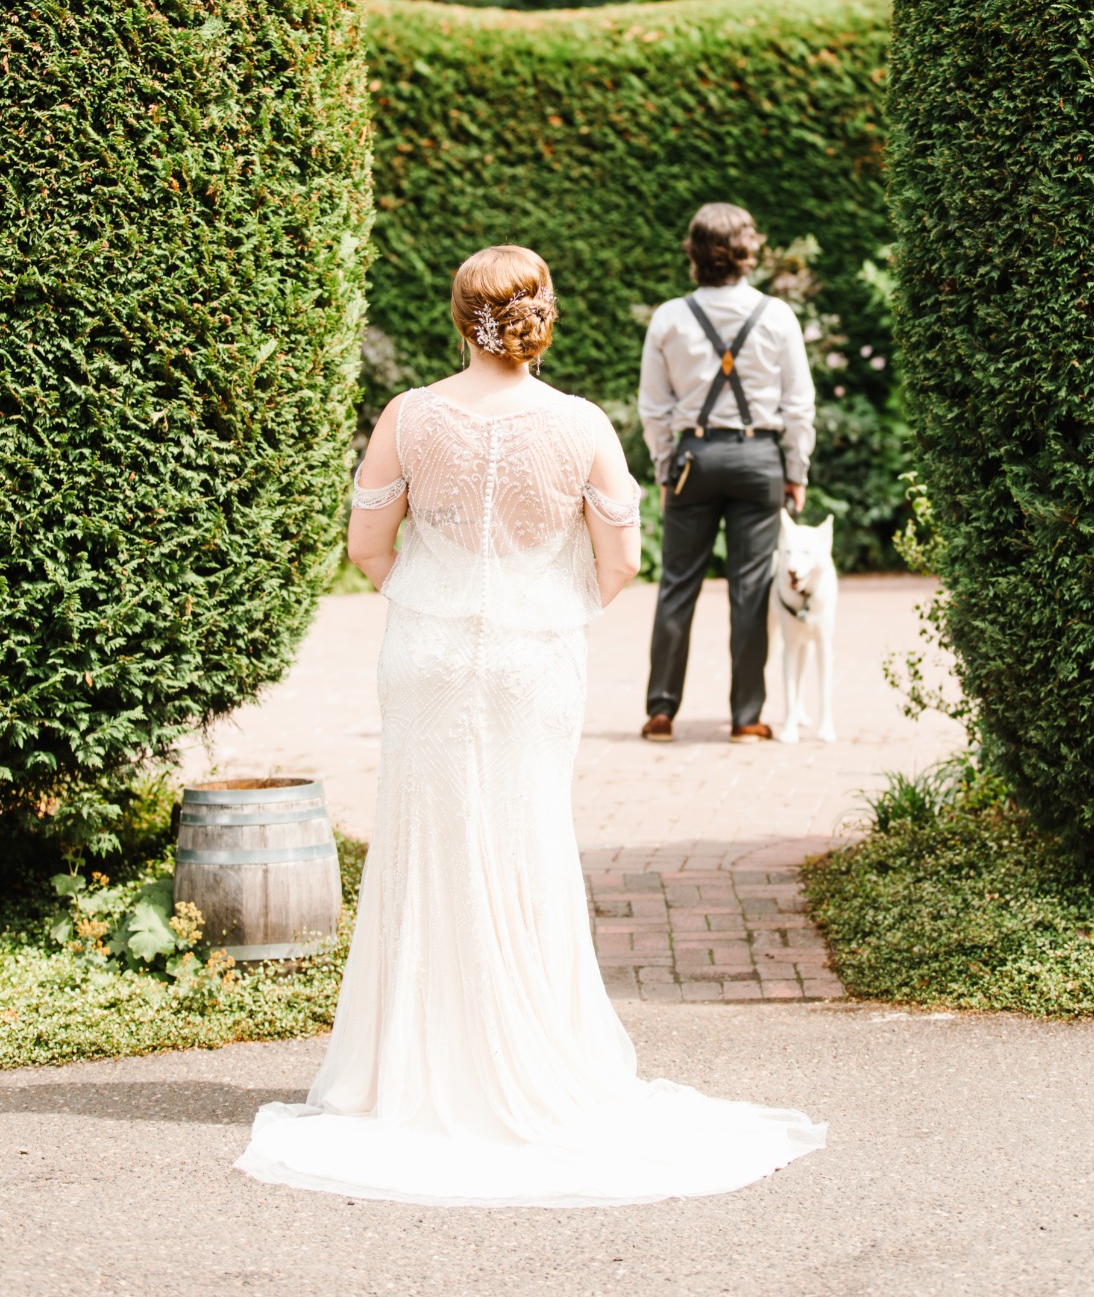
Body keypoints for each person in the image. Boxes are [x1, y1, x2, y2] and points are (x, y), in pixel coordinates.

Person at [235, 244, 825, 1206]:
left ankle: (411, 1071)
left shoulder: (407, 416)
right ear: (541, 314)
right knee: (524, 838)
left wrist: (431, 596)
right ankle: (530, 1054)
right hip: (532, 661)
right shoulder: (580, 424)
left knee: (427, 841)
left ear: (459, 315)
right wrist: (545, 612)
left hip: (425, 654)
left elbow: (366, 547)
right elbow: (621, 561)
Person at [638, 204, 816, 742]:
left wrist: (668, 469)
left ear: (693, 253)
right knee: (751, 589)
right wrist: (796, 469)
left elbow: (653, 408)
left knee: (677, 585)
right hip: (758, 458)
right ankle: (746, 718)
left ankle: (662, 711)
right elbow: (800, 405)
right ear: (747, 252)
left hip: (694, 461)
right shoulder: (778, 315)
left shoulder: (669, 317)